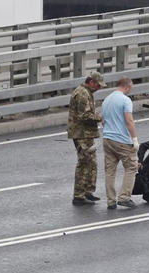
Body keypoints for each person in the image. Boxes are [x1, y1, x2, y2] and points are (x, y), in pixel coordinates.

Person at [68, 72, 106, 206]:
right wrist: (100, 117)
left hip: (86, 133)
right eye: (98, 85)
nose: (99, 88)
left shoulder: (85, 92)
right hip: (82, 134)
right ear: (91, 82)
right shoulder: (82, 94)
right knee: (85, 163)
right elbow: (84, 115)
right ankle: (79, 195)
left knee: (91, 163)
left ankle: (87, 191)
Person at [102, 77, 139, 209]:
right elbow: (129, 121)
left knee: (110, 171)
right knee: (131, 167)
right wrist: (134, 139)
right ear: (127, 87)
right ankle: (124, 197)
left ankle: (110, 201)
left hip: (107, 138)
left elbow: (103, 121)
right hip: (121, 140)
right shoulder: (125, 100)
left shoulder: (106, 99)